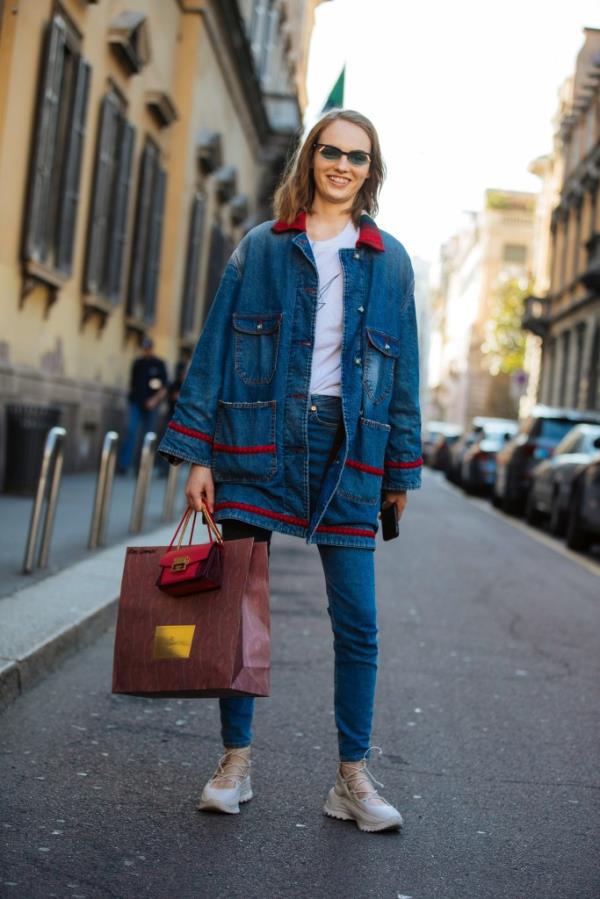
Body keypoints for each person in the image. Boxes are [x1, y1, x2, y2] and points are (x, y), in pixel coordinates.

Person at [158, 109, 422, 833]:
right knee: (239, 608)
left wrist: (400, 468)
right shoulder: (260, 250)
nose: (343, 165)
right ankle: (234, 762)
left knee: (359, 622)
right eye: (332, 152)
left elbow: (403, 377)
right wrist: (198, 453)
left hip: (349, 451)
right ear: (311, 159)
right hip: (256, 442)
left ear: (371, 172)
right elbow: (213, 349)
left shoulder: (390, 260)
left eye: (358, 157)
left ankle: (351, 778)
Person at [117, 337, 168, 474]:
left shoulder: (158, 364)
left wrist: (154, 400)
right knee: (131, 432)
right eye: (144, 348)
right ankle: (124, 465)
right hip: (136, 403)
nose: (146, 351)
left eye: (148, 348)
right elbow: (132, 384)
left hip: (152, 405)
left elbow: (163, 387)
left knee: (148, 436)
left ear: (152, 348)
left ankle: (143, 466)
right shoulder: (138, 363)